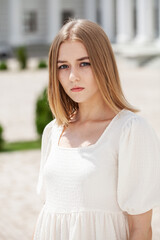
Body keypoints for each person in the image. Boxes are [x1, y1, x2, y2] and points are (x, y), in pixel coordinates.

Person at [33, 19, 160, 240]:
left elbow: (141, 229)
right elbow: (47, 216)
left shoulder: (129, 131)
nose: (73, 76)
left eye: (84, 63)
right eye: (63, 66)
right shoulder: (53, 132)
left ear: (103, 64)